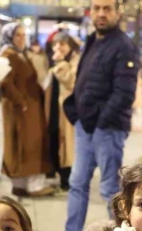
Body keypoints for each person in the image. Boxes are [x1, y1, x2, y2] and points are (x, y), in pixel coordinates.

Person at [43, 0, 140, 231]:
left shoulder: (124, 46)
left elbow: (124, 93)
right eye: (97, 8)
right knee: (77, 182)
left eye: (107, 8)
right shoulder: (92, 40)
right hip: (85, 126)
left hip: (107, 128)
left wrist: (100, 121)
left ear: (118, 12)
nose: (101, 13)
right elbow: (82, 81)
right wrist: (75, 111)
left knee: (110, 188)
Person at [0, 23, 54, 197]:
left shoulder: (18, 54)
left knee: (27, 144)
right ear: (10, 37)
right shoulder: (8, 55)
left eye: (24, 35)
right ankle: (31, 185)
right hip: (21, 109)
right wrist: (20, 101)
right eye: (18, 35)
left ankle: (22, 184)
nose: (22, 39)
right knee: (27, 145)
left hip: (28, 108)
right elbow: (5, 83)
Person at [47, 33, 81, 191]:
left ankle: (66, 178)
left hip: (68, 108)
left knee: (66, 143)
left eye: (62, 45)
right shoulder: (57, 59)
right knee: (56, 138)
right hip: (55, 106)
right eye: (56, 44)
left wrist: (60, 63)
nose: (58, 48)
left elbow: (71, 81)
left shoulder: (75, 61)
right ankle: (57, 171)